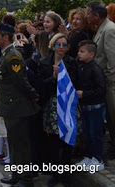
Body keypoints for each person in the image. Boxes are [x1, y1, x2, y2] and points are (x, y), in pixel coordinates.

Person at [0, 23, 39, 186]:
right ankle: (16, 174)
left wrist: (33, 95)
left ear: (6, 37)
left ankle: (25, 178)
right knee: (14, 144)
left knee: (20, 145)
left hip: (17, 106)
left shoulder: (13, 56)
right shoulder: (7, 54)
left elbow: (20, 81)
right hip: (10, 106)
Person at [38, 33, 78, 187]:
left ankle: (65, 174)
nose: (61, 48)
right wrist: (54, 77)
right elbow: (41, 84)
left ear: (68, 48)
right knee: (53, 142)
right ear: (53, 46)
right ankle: (55, 173)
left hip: (67, 104)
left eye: (64, 45)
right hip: (52, 105)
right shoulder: (43, 62)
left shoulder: (72, 63)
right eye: (58, 44)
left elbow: (75, 82)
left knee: (67, 140)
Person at [86, 0, 115, 156]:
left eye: (88, 13)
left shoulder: (109, 30)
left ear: (96, 15)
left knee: (112, 115)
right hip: (104, 82)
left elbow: (112, 59)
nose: (86, 16)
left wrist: (108, 81)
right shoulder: (101, 29)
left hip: (110, 83)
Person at [76, 40, 106, 171]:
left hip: (95, 108)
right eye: (79, 51)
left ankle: (98, 159)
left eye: (82, 52)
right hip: (85, 107)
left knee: (95, 134)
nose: (79, 54)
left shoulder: (95, 69)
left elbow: (101, 90)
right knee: (87, 134)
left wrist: (84, 94)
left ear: (92, 54)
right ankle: (88, 157)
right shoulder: (82, 66)